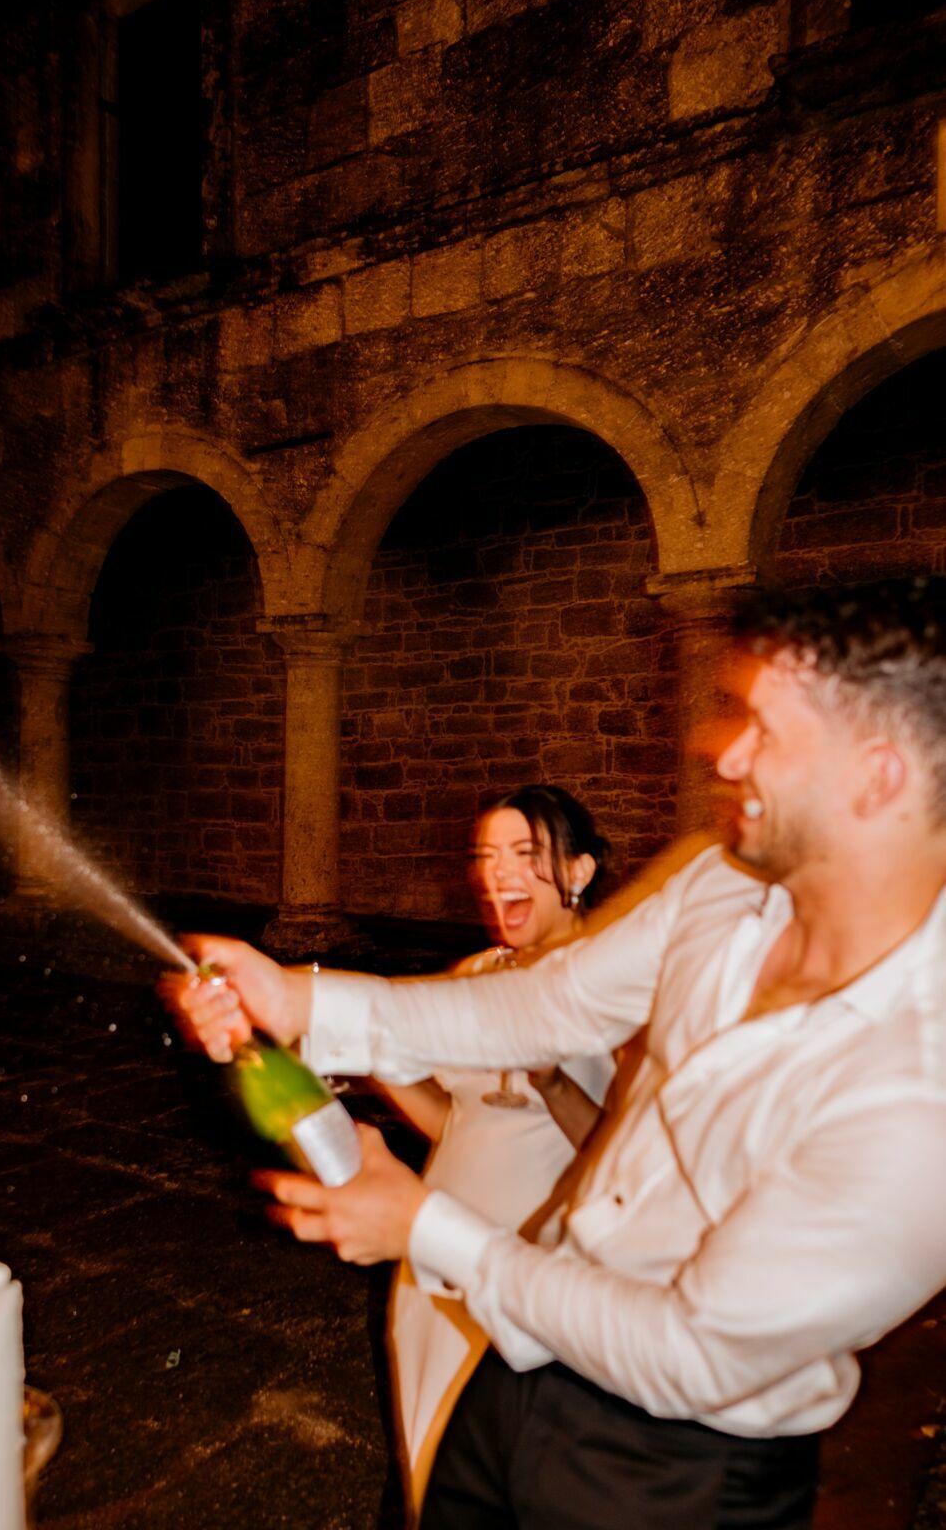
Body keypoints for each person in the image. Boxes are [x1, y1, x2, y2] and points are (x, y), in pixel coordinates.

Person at [163, 577, 946, 1530]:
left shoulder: (920, 1093)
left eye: (766, 731)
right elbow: (545, 1003)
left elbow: (693, 1353)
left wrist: (425, 1230)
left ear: (879, 777)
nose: (721, 749)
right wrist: (296, 998)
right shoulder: (721, 881)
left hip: (677, 1472)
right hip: (522, 1364)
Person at [378, 786, 613, 1510]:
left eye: (522, 854)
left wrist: (548, 1079)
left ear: (578, 872)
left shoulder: (613, 987)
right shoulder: (476, 974)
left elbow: (620, 1150)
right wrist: (380, 1068)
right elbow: (455, 1118)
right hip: (432, 1254)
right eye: (484, 856)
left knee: (512, 1478)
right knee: (429, 1457)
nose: (493, 874)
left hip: (528, 1262)